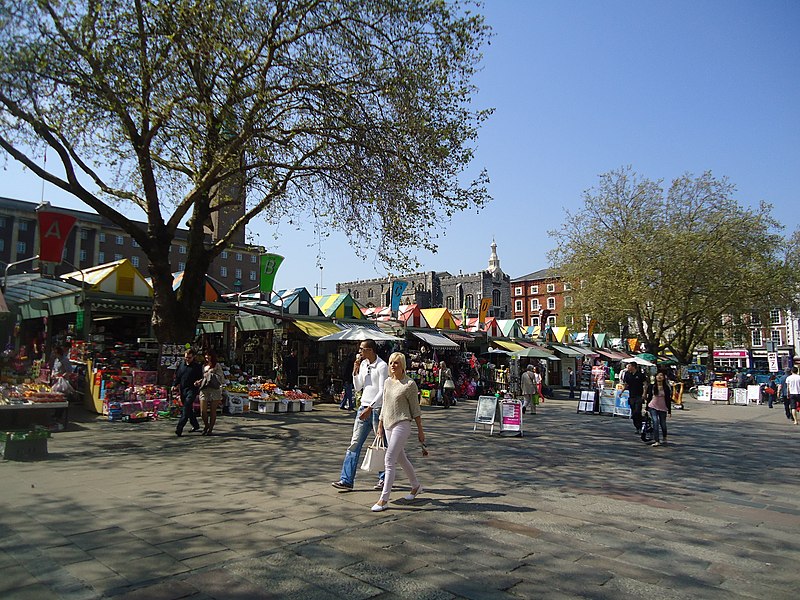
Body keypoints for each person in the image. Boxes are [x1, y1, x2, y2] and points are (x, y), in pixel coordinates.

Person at [371, 352, 425, 512]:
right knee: (401, 458)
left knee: (389, 459)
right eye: (391, 363)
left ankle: (384, 499)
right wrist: (380, 425)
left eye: (396, 363)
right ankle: (416, 486)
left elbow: (416, 410)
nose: (393, 365)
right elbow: (385, 405)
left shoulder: (409, 384)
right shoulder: (387, 382)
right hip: (387, 423)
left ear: (402, 365)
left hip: (402, 423)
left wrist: (420, 431)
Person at [331, 339, 388, 491]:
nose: (360, 352)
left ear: (371, 350)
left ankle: (384, 479)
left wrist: (371, 407)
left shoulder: (382, 366)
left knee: (381, 445)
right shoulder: (363, 364)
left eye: (362, 349)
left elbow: (383, 390)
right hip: (363, 407)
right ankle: (346, 479)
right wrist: (355, 372)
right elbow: (358, 387)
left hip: (377, 410)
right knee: (354, 443)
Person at [173, 348, 203, 437]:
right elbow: (177, 377)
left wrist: (198, 382)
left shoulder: (197, 367)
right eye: (186, 357)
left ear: (193, 357)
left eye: (189, 358)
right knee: (188, 408)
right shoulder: (181, 365)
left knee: (186, 408)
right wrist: (174, 385)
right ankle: (195, 425)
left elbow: (201, 378)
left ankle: (179, 428)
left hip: (192, 390)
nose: (187, 359)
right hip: (183, 389)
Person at [196, 349, 226, 436]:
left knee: (213, 410)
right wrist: (199, 381)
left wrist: (211, 374)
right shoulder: (203, 366)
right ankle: (206, 425)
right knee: (203, 411)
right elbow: (202, 377)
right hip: (204, 389)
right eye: (205, 355)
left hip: (215, 389)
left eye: (209, 355)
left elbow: (221, 378)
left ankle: (210, 428)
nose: (207, 357)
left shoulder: (217, 365)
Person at [645, 370, 672, 447]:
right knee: (655, 422)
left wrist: (669, 410)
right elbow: (649, 397)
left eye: (661, 375)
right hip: (652, 406)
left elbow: (668, 399)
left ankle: (664, 436)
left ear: (664, 378)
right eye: (658, 375)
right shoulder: (652, 386)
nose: (659, 377)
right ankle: (657, 440)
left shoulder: (666, 387)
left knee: (663, 423)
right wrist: (646, 408)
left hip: (663, 407)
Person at [622, 362, 647, 434]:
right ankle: (637, 426)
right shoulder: (627, 374)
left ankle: (641, 423)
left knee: (637, 411)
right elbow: (626, 384)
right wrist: (622, 392)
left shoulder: (640, 375)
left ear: (633, 367)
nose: (628, 368)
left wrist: (644, 393)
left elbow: (645, 384)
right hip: (631, 396)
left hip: (639, 396)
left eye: (629, 366)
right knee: (633, 413)